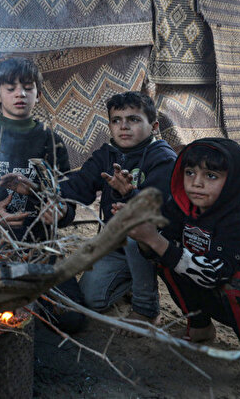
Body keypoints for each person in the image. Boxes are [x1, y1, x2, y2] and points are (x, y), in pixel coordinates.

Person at [123, 138, 240, 398]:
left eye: (211, 175)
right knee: (166, 256)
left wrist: (155, 239)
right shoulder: (181, 207)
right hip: (214, 291)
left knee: (237, 282)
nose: (196, 183)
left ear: (232, 181)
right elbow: (162, 249)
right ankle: (200, 326)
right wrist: (143, 232)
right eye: (190, 172)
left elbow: (213, 274)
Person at [0, 57, 86, 333]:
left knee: (72, 319)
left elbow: (67, 201)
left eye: (28, 88)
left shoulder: (51, 141)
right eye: (11, 88)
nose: (20, 94)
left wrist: (60, 213)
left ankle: (31, 301)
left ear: (38, 95)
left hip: (38, 252)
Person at [59, 91, 176, 330]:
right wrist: (44, 191)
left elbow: (159, 213)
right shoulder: (107, 155)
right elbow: (78, 186)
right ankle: (129, 281)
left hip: (154, 245)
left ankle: (146, 308)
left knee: (135, 231)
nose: (123, 127)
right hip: (116, 244)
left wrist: (129, 195)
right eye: (116, 120)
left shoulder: (163, 159)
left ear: (153, 126)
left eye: (133, 119)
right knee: (92, 299)